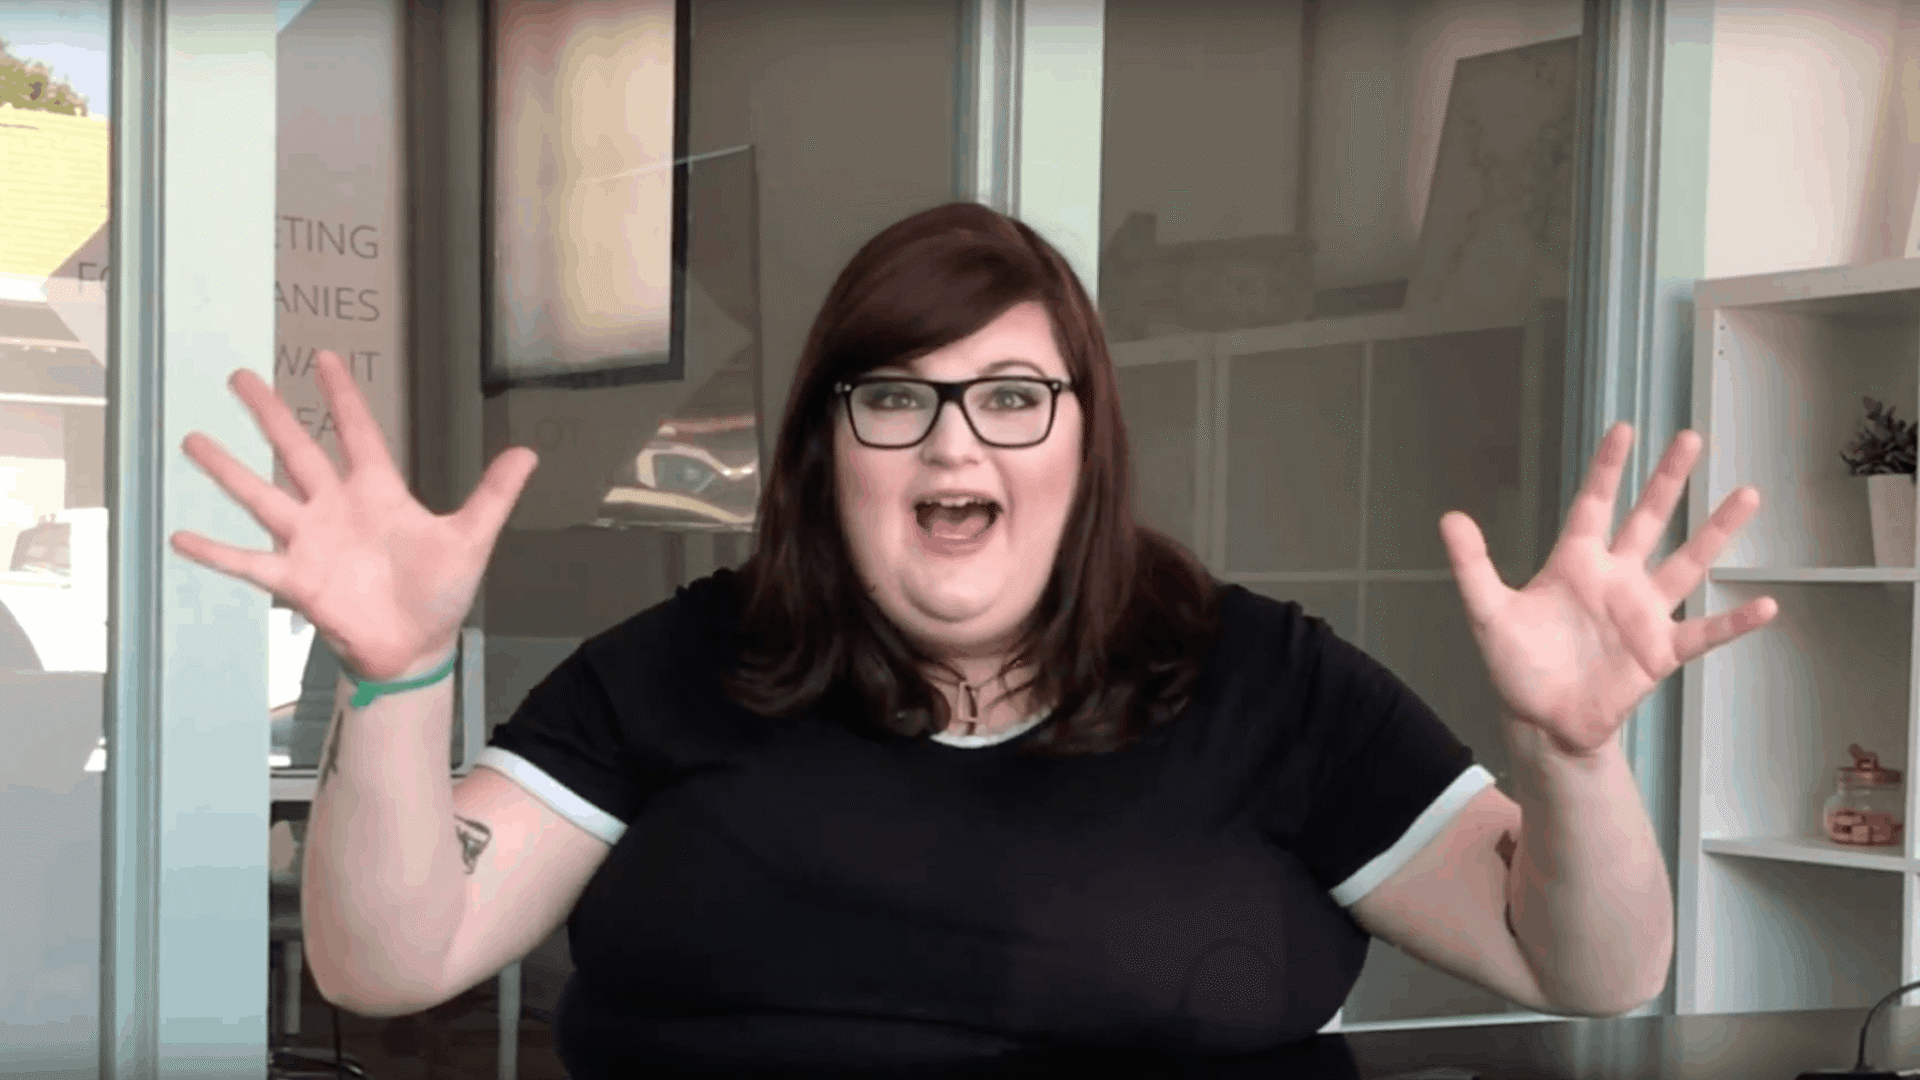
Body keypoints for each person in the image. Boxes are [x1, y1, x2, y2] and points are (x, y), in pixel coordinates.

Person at [170, 202, 1777, 1078]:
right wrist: (391, 679)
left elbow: (1595, 969)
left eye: (1011, 399)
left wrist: (1574, 758)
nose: (956, 453)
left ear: (1083, 442)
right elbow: (392, 963)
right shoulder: (675, 670)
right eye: (897, 401)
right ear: (824, 449)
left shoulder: (1265, 682)